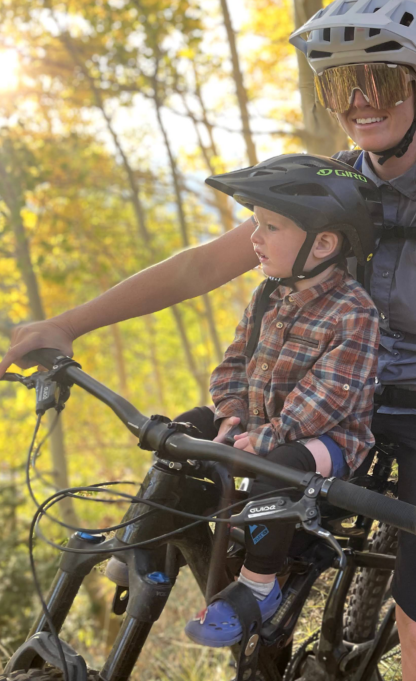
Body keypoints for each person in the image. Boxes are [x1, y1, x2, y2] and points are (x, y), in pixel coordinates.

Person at [0, 0, 416, 681]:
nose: (360, 101)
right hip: (337, 399)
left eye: (379, 79)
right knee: (197, 478)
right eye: (340, 84)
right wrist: (67, 324)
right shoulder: (329, 186)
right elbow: (198, 267)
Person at [124, 154, 383, 647]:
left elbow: (327, 398)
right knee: (186, 427)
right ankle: (144, 530)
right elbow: (234, 365)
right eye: (256, 224)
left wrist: (266, 438)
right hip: (259, 423)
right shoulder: (267, 296)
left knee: (279, 467)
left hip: (327, 441)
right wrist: (229, 417)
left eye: (270, 226)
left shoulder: (354, 312)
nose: (254, 238)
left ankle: (259, 585)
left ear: (323, 243)